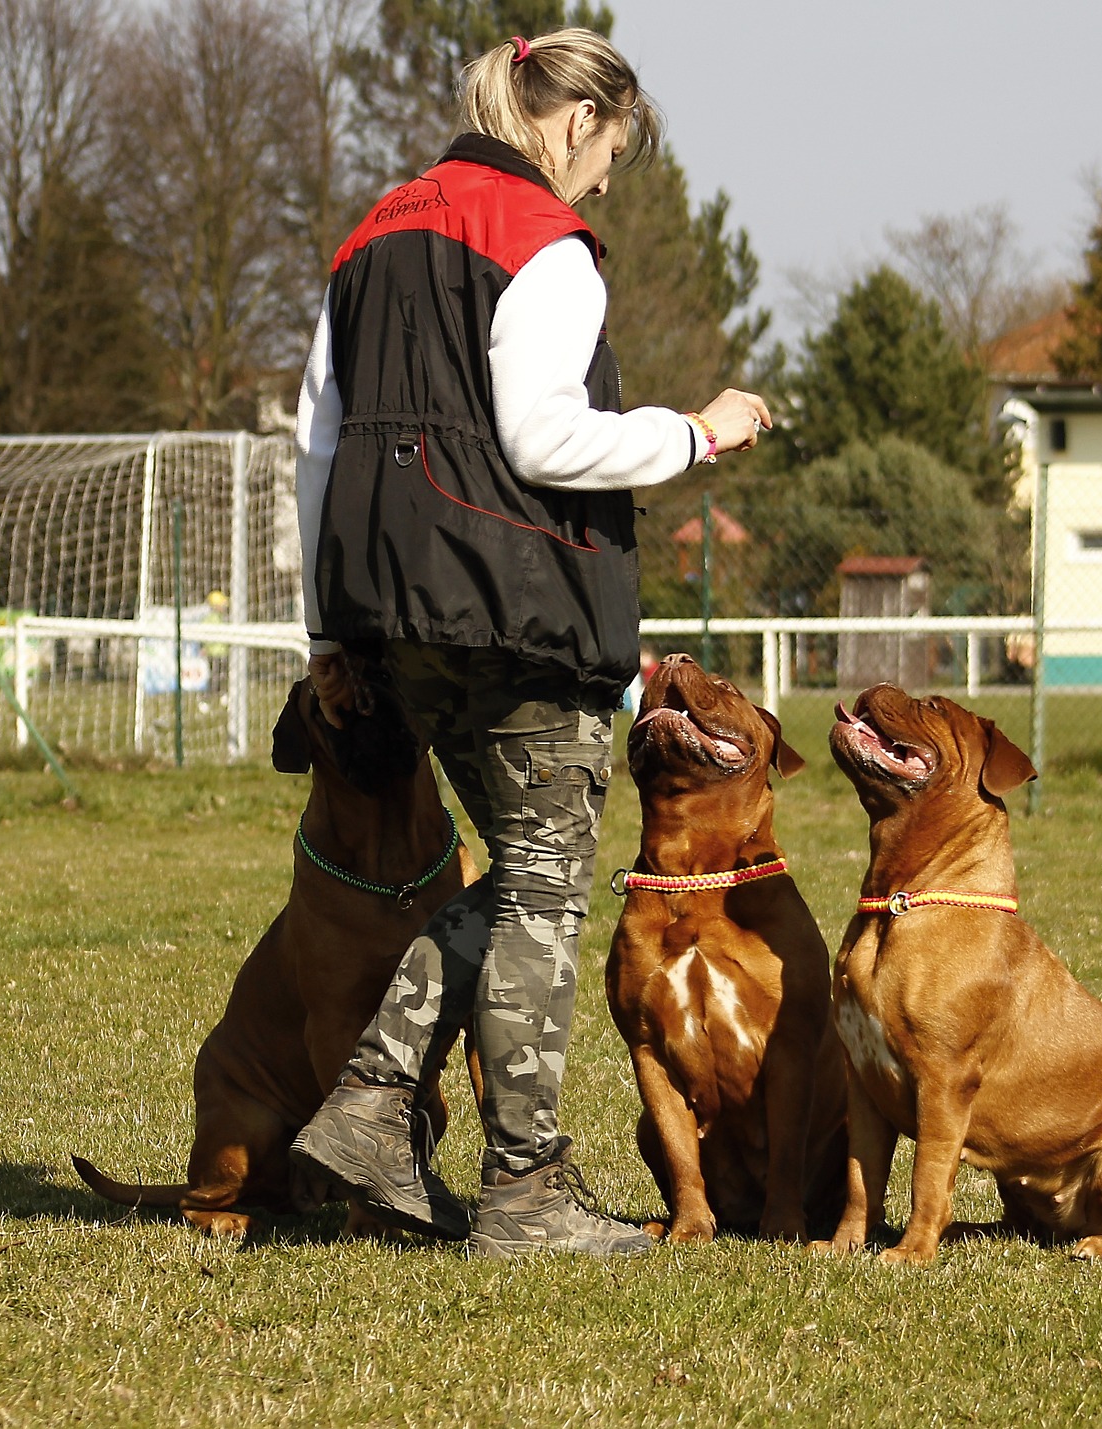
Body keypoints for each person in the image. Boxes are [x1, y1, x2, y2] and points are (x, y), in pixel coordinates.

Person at [287, 28, 771, 1257]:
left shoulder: (373, 232)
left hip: (392, 613)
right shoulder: (542, 244)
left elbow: (316, 441)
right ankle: (521, 1194)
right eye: (608, 151)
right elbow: (550, 441)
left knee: (524, 876)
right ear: (574, 122)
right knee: (544, 884)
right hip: (514, 607)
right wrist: (696, 432)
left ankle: (371, 1107)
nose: (603, 182)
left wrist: (329, 625)